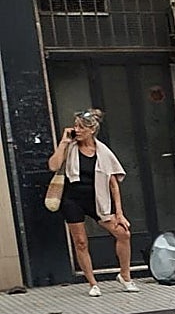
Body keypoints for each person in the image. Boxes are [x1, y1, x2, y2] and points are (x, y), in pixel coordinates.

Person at [47, 108, 140, 297]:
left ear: (92, 130)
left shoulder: (103, 152)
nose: (77, 130)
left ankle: (125, 276)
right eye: (75, 126)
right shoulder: (70, 148)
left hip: (98, 200)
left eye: (81, 127)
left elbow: (113, 184)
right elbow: (53, 166)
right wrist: (63, 142)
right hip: (72, 199)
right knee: (80, 242)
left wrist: (119, 213)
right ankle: (92, 283)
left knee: (123, 234)